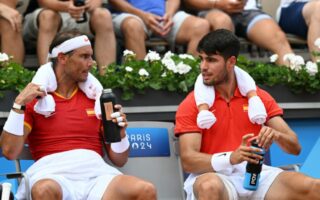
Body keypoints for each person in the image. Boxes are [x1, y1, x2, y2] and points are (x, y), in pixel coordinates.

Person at [0, 30, 156, 200]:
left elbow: (120, 160)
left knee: (145, 190)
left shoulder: (98, 99)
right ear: (62, 58)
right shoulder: (34, 100)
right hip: (52, 174)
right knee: (44, 190)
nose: (91, 63)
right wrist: (18, 105)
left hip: (97, 175)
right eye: (84, 56)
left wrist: (121, 134)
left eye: (91, 56)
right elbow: (9, 152)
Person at [175, 29, 320, 200]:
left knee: (314, 187)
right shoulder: (191, 103)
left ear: (231, 62)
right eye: (202, 59)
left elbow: (295, 147)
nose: (203, 67)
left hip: (254, 175)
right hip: (214, 175)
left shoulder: (260, 98)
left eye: (212, 60)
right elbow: (189, 160)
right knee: (209, 187)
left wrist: (276, 135)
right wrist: (231, 157)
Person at [183, 0, 294, 66]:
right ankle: (217, 93)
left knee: (277, 37)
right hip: (211, 9)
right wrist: (217, 3)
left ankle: (294, 86)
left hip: (248, 11)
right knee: (222, 24)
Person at [23, 0, 116, 75]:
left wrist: (89, 5)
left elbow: (97, 2)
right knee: (48, 16)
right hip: (47, 12)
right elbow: (43, 2)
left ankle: (107, 78)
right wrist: (66, 6)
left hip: (83, 14)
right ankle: (47, 78)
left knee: (103, 15)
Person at [108, 0, 210, 60]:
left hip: (163, 16)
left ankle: (189, 83)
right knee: (133, 26)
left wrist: (169, 14)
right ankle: (141, 84)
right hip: (130, 15)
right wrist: (142, 15)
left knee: (201, 25)